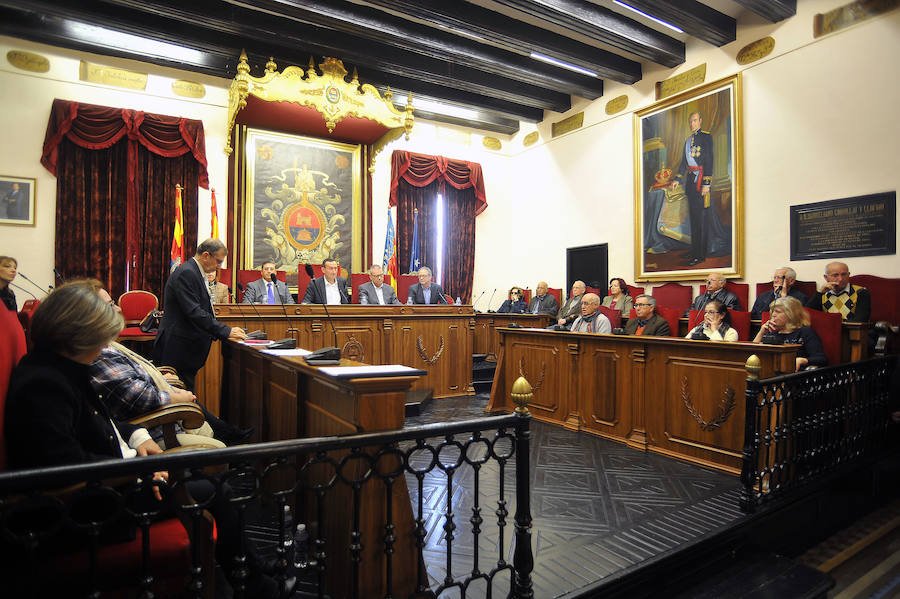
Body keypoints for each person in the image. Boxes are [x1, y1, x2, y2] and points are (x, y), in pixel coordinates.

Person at [4, 282, 280, 597]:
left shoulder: (59, 367)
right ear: (76, 336)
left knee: (204, 480)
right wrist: (137, 471)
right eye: (100, 338)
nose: (103, 347)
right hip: (84, 509)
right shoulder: (44, 385)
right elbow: (62, 465)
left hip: (109, 480)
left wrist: (135, 435)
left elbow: (99, 418)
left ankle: (251, 572)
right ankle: (257, 585)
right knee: (213, 488)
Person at [86, 281, 246, 447]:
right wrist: (176, 396)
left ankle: (226, 434)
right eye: (111, 305)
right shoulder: (99, 354)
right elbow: (139, 397)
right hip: (157, 430)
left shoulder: (107, 344)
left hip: (162, 421)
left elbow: (133, 375)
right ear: (91, 315)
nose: (118, 309)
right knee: (220, 447)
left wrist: (160, 378)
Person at [152, 239, 247, 390]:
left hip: (184, 348)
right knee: (181, 400)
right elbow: (194, 312)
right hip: (178, 348)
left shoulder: (195, 272)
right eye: (218, 261)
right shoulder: (187, 273)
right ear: (205, 255)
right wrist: (225, 331)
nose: (219, 266)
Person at [671, 111, 713, 266]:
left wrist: (706, 184)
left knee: (700, 220)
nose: (692, 124)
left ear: (700, 121)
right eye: (690, 121)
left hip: (701, 182)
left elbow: (709, 160)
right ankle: (694, 250)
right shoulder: (688, 141)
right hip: (690, 183)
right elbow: (684, 163)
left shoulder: (706, 137)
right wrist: (677, 179)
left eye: (695, 121)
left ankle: (700, 255)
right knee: (694, 220)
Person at [754, 296, 827, 371]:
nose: (773, 315)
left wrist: (803, 360)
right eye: (772, 311)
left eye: (778, 311)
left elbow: (821, 359)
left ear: (790, 314)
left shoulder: (805, 332)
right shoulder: (772, 333)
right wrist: (761, 332)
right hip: (771, 372)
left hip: (796, 375)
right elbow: (752, 355)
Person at [806, 261, 870, 322]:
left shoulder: (861, 292)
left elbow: (861, 320)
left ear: (848, 275)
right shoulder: (822, 294)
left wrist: (834, 323)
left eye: (844, 274)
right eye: (835, 275)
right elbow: (807, 315)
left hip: (852, 331)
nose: (840, 279)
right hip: (828, 331)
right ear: (826, 277)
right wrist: (819, 293)